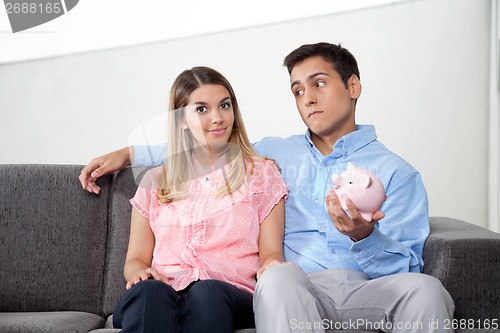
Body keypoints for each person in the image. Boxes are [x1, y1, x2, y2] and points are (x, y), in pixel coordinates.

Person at [80, 43, 455, 333]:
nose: (307, 97)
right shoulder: (275, 152)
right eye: (297, 90)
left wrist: (365, 236)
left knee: (428, 290)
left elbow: (409, 265)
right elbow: (205, 142)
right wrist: (129, 153)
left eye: (319, 83)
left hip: (368, 288)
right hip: (296, 287)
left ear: (353, 86)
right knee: (275, 275)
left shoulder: (397, 173)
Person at [109, 66, 288, 333]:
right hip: (163, 291)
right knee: (149, 294)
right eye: (202, 109)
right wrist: (140, 273)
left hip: (228, 294)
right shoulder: (154, 182)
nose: (217, 118)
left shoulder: (261, 174)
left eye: (224, 106)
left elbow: (272, 252)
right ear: (181, 119)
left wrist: (273, 267)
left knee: (208, 293)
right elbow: (135, 259)